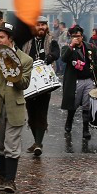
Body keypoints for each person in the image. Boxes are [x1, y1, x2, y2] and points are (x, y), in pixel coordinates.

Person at [0, 23, 33, 194]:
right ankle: (2, 177)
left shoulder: (25, 59)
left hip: (15, 107)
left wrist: (14, 73)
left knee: (12, 144)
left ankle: (10, 181)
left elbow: (24, 83)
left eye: (2, 37)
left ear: (10, 39)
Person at [23, 15, 60, 155]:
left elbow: (57, 52)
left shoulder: (51, 40)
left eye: (43, 25)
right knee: (31, 114)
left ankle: (39, 143)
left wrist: (50, 57)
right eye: (38, 25)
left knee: (42, 112)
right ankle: (36, 140)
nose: (41, 27)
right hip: (29, 82)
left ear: (47, 27)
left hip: (45, 82)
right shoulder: (27, 42)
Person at [60, 25, 97, 140]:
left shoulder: (90, 47)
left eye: (78, 36)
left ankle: (86, 130)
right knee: (73, 104)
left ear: (82, 37)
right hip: (75, 81)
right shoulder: (67, 48)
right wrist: (71, 46)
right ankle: (69, 122)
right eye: (74, 36)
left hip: (88, 79)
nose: (76, 38)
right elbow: (63, 58)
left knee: (87, 105)